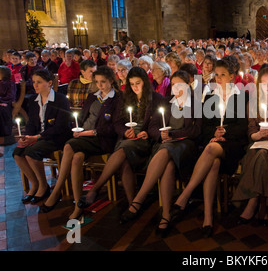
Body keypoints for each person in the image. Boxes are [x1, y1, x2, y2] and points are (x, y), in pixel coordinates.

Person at [170, 56, 249, 238]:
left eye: (223, 75)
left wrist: (225, 133)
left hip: (233, 145)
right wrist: (214, 133)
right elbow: (204, 127)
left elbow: (242, 127)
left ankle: (185, 194)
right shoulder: (211, 96)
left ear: (232, 76)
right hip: (213, 143)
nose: (218, 78)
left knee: (211, 149)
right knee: (212, 163)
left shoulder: (242, 95)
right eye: (216, 74)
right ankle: (208, 217)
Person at [119, 70, 202, 236]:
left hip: (185, 145)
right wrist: (160, 134)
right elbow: (153, 126)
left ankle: (138, 200)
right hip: (166, 144)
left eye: (180, 85)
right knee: (168, 165)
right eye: (173, 85)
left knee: (166, 151)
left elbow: (195, 130)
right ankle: (166, 216)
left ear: (188, 86)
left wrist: (172, 135)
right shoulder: (166, 102)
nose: (176, 88)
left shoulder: (195, 103)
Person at [40, 66, 124, 220]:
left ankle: (58, 189)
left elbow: (112, 128)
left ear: (111, 81)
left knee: (68, 145)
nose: (100, 85)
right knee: (77, 158)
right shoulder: (93, 96)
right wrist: (77, 127)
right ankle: (78, 204)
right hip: (85, 137)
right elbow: (84, 117)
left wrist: (87, 133)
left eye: (103, 82)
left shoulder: (118, 99)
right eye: (97, 82)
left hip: (102, 139)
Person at [78, 67, 166, 211]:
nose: (135, 87)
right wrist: (125, 132)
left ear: (145, 81)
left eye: (138, 83)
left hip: (144, 140)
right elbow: (117, 122)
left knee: (122, 151)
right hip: (127, 138)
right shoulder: (125, 98)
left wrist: (147, 133)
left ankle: (95, 189)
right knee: (124, 160)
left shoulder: (156, 99)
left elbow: (158, 123)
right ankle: (133, 204)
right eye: (131, 84)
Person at [232, 65, 268, 226]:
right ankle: (262, 204)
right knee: (258, 153)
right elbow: (251, 132)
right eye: (264, 83)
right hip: (256, 143)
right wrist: (259, 135)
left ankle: (252, 202)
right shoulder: (253, 103)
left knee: (262, 155)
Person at [13, 69, 72, 204]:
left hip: (56, 137)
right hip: (38, 137)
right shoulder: (33, 100)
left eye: (39, 82)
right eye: (34, 82)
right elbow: (32, 123)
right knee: (17, 153)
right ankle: (35, 184)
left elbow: (61, 126)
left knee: (31, 152)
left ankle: (43, 185)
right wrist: (26, 136)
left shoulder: (60, 99)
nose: (35, 85)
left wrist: (37, 137)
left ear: (49, 83)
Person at [0, 66, 16, 141]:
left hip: (6, 104)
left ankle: (3, 132)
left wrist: (1, 101)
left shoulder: (10, 83)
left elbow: (10, 96)